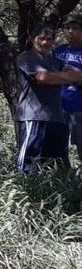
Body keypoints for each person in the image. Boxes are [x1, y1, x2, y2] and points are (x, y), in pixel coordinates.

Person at [13, 25, 82, 173]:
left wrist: (61, 76)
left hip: (57, 118)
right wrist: (68, 77)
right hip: (33, 117)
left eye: (49, 39)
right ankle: (24, 192)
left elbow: (78, 76)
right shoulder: (26, 57)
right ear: (32, 39)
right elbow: (43, 78)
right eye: (41, 38)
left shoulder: (55, 61)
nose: (45, 42)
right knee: (28, 164)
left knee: (55, 165)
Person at [56, 17, 82, 164]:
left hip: (80, 108)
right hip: (59, 108)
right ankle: (64, 183)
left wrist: (76, 73)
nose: (71, 31)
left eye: (75, 28)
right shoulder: (58, 51)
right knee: (58, 148)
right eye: (67, 28)